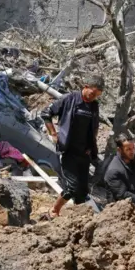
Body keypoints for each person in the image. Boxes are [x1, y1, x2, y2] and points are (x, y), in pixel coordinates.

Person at [41, 75, 104, 217]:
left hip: (84, 153)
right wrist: (53, 133)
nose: (93, 97)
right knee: (72, 187)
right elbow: (46, 113)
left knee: (82, 191)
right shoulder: (69, 99)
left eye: (97, 96)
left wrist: (91, 148)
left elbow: (93, 128)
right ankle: (54, 210)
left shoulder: (94, 105)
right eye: (92, 93)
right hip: (68, 150)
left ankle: (78, 218)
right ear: (86, 86)